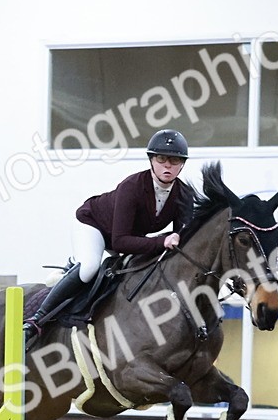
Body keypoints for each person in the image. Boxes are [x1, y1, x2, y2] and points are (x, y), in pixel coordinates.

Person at [22, 128, 194, 345]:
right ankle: (36, 320)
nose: (167, 165)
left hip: (126, 236)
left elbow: (181, 241)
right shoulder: (132, 187)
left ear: (182, 164)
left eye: (175, 160)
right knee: (89, 268)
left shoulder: (184, 195)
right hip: (93, 225)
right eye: (161, 159)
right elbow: (120, 242)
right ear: (151, 160)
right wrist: (162, 241)